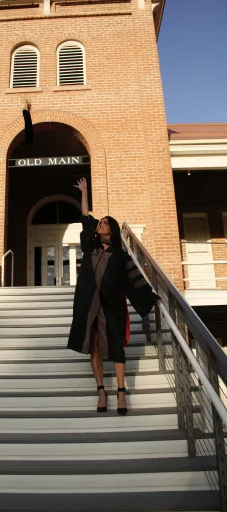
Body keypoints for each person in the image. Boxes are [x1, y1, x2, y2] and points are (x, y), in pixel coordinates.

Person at [67, 177, 159, 415]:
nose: (101, 224)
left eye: (106, 223)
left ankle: (121, 392)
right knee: (94, 347)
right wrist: (85, 192)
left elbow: (133, 279)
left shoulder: (120, 255)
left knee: (116, 347)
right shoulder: (90, 247)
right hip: (89, 304)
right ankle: (100, 390)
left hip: (111, 306)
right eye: (101, 222)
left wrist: (150, 296)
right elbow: (86, 217)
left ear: (113, 229)